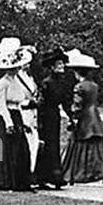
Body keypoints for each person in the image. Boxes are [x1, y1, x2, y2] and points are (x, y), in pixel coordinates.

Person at [0, 37, 37, 192]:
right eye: (13, 67)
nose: (16, 69)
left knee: (21, 149)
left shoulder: (17, 81)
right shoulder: (2, 84)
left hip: (17, 115)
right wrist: (9, 122)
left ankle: (21, 181)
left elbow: (21, 100)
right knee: (2, 150)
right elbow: (2, 105)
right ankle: (4, 180)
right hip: (6, 118)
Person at [61, 48, 103, 186]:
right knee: (96, 148)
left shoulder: (79, 87)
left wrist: (73, 118)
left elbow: (78, 104)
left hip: (84, 117)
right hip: (94, 116)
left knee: (78, 145)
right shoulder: (94, 86)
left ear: (77, 72)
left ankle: (74, 174)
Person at [34, 47, 71, 189]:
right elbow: (41, 103)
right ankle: (42, 177)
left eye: (62, 64)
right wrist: (39, 121)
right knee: (46, 146)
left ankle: (55, 177)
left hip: (55, 116)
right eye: (59, 64)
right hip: (45, 116)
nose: (62, 67)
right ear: (52, 67)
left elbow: (65, 102)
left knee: (54, 145)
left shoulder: (62, 82)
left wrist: (71, 116)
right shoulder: (46, 83)